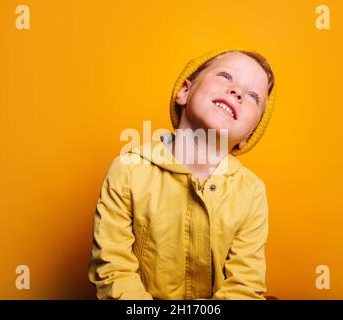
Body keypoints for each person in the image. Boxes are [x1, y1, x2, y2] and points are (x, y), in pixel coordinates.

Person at [88, 47, 276, 300]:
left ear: (249, 136)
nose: (237, 92)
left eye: (253, 96)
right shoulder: (128, 170)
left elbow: (243, 285)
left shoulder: (251, 191)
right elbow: (114, 271)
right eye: (226, 76)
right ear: (185, 92)